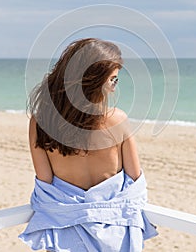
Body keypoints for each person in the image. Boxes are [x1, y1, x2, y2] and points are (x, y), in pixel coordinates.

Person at [19, 38, 157, 251]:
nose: (113, 89)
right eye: (113, 80)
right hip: (116, 233)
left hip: (66, 234)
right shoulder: (117, 120)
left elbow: (45, 186)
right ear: (93, 81)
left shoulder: (40, 122)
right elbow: (135, 182)